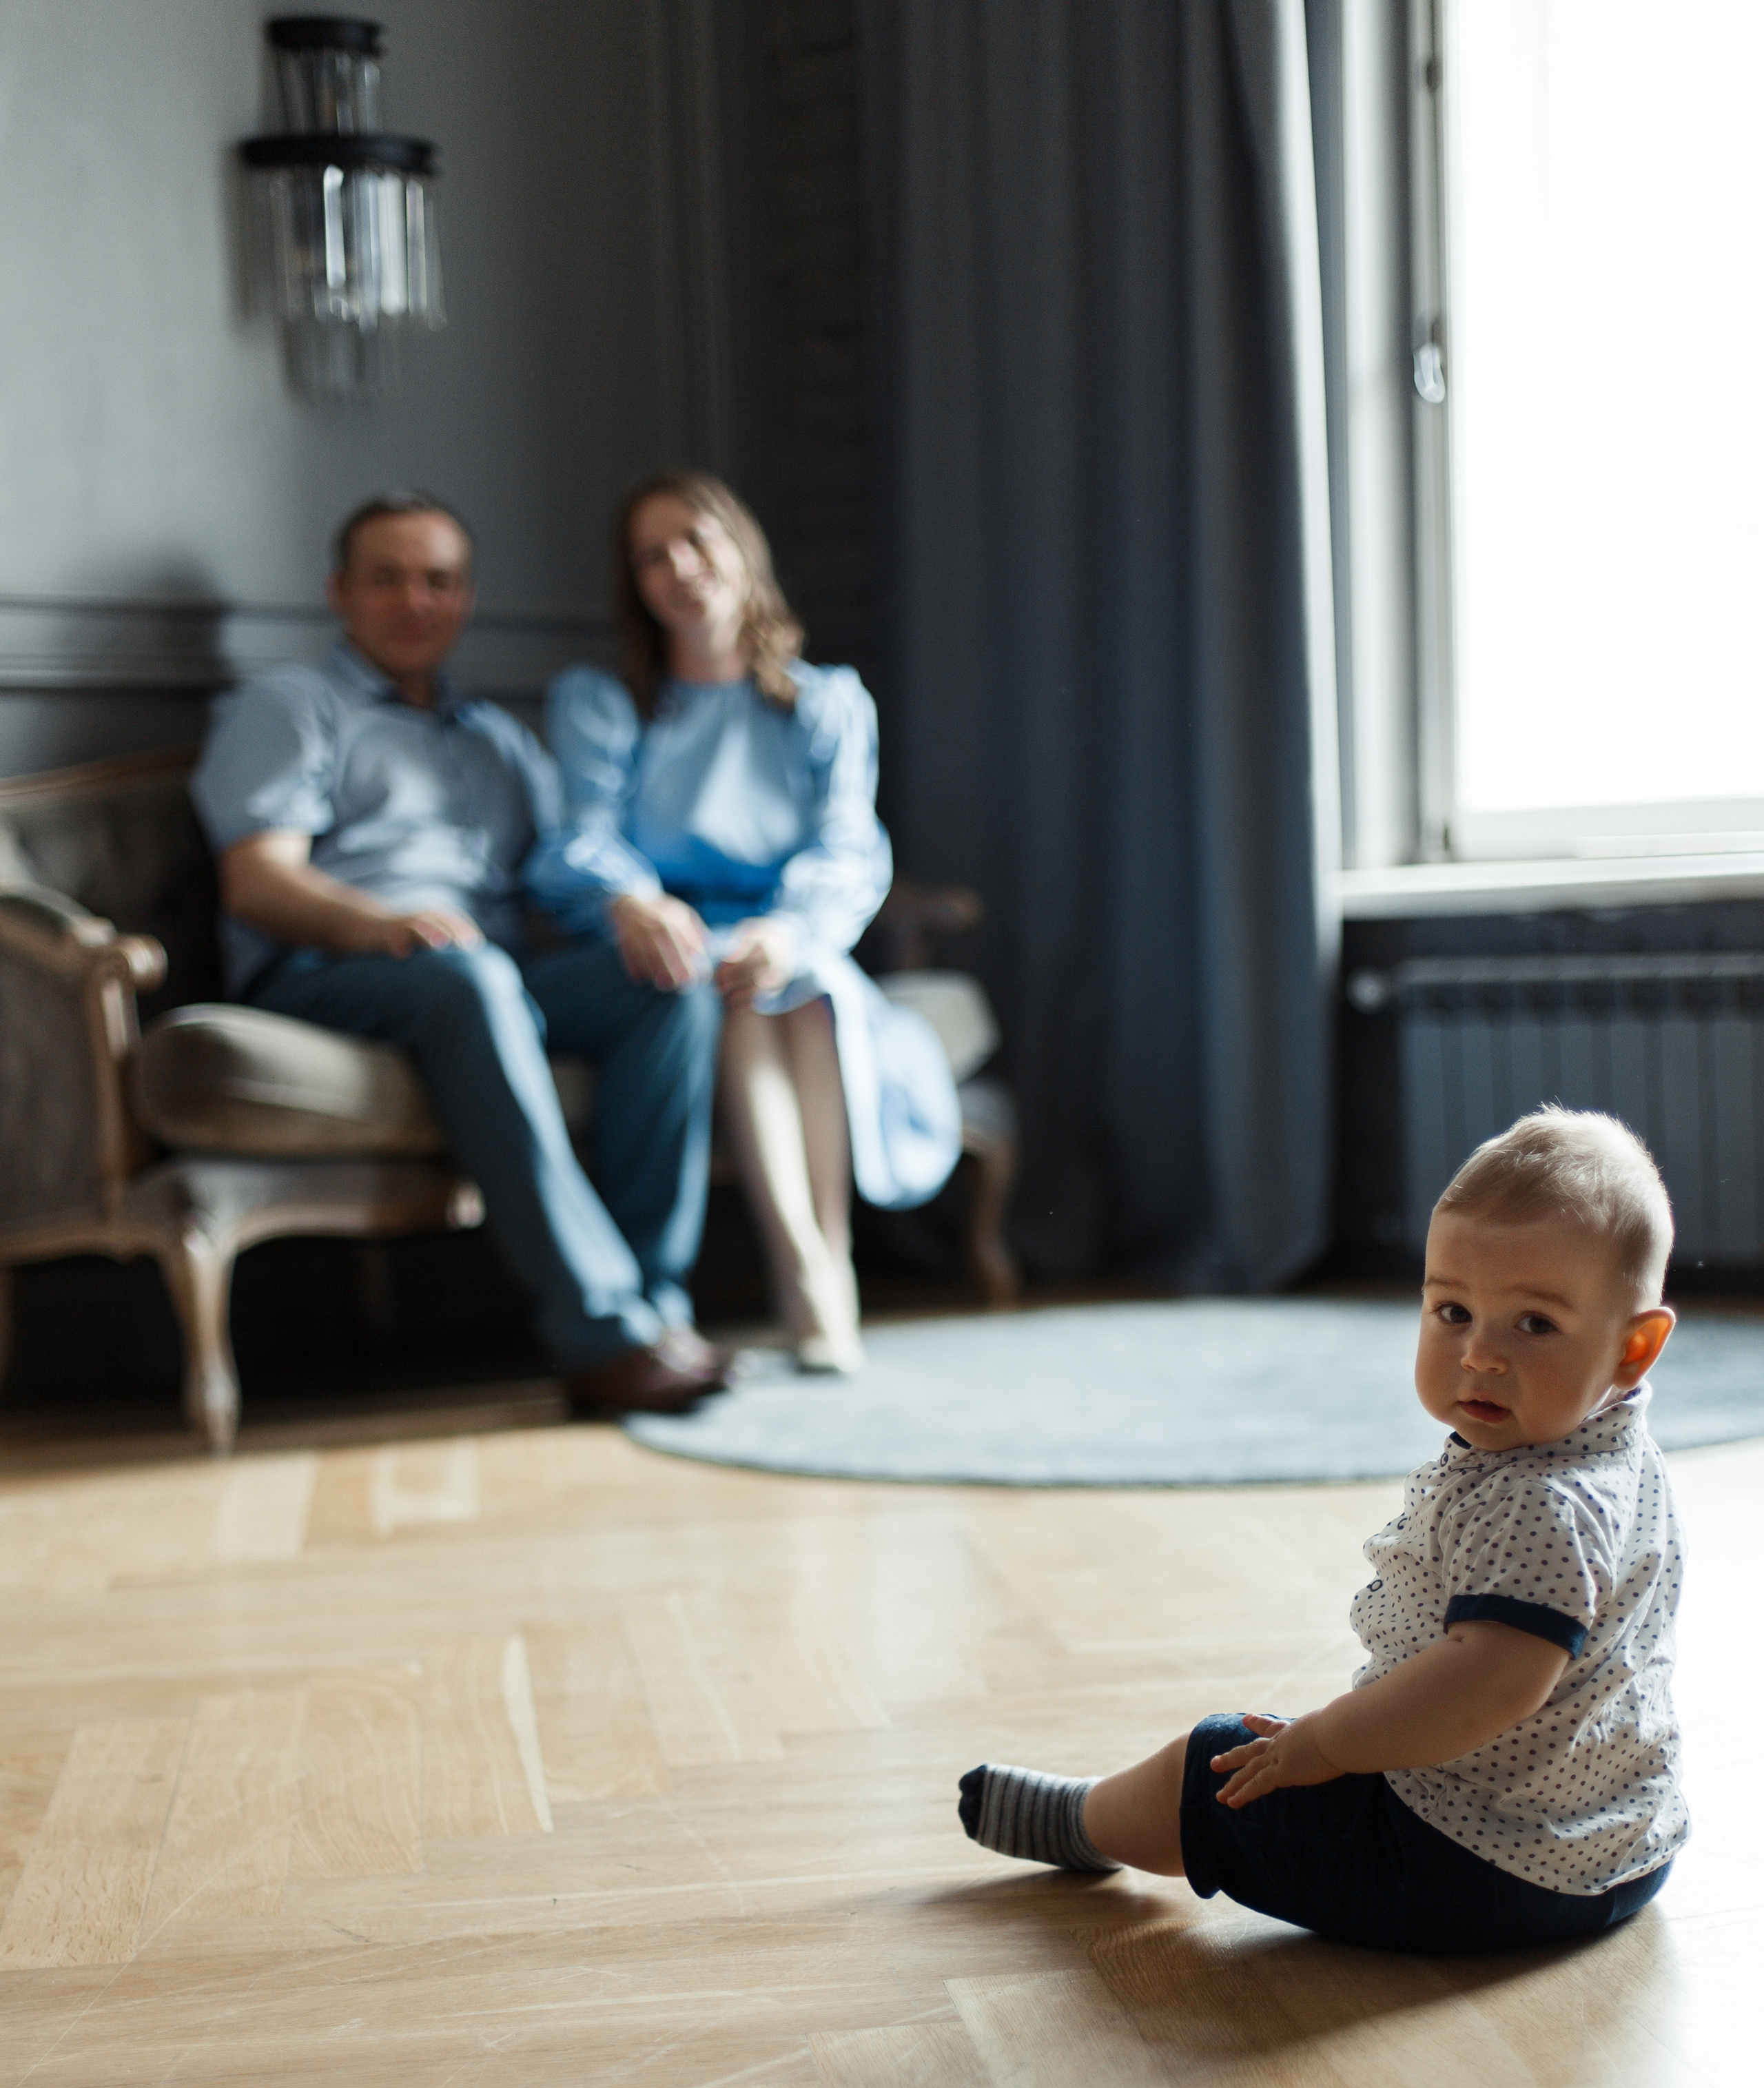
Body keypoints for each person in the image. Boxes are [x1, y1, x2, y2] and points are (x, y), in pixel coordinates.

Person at [958, 1109, 1690, 1954]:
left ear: (1634, 1348)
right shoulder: (1614, 1452)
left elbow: (1489, 1683)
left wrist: (1327, 1742)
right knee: (1280, 1751)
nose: (1479, 1355)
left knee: (1222, 1765)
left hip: (1484, 1862)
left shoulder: (1544, 1503)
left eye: (1534, 1324)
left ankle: (1086, 1823)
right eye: (1452, 1310)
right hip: (1619, 1842)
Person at [189, 492, 730, 1417]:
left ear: (466, 598)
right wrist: (381, 925)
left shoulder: (497, 740)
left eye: (439, 581)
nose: (416, 602)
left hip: (481, 981)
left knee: (665, 987)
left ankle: (655, 1315)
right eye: (388, 579)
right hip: (328, 974)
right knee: (473, 976)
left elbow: (562, 869)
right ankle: (602, 1334)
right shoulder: (292, 707)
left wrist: (633, 906)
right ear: (340, 592)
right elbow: (258, 882)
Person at [527, 471, 961, 1374]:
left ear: (741, 549)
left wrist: (791, 932)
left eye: (696, 540)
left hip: (792, 937)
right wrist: (636, 900)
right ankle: (802, 1264)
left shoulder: (825, 702)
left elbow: (847, 846)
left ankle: (821, 1261)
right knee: (720, 984)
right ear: (635, 584)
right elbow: (582, 836)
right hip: (667, 941)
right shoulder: (604, 703)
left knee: (799, 991)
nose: (679, 568)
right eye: (652, 557)